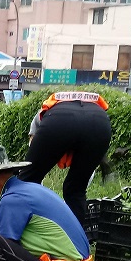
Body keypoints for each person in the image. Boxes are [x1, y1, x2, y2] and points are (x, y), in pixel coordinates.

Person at [19, 90, 112, 228]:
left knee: (27, 181)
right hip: (99, 121)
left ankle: (19, 230)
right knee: (75, 190)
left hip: (60, 120)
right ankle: (76, 242)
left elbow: (33, 159)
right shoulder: (86, 106)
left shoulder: (40, 118)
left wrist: (31, 174)